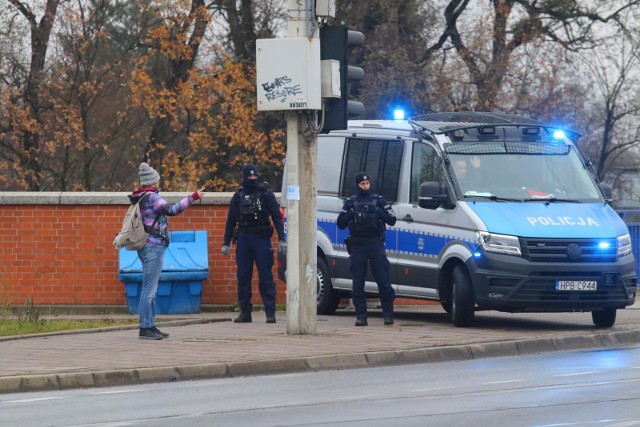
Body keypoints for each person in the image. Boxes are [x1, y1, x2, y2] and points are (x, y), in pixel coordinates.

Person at [130, 162, 204, 340]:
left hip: (146, 245)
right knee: (149, 289)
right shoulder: (152, 198)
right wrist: (192, 197)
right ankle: (145, 328)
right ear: (152, 181)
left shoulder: (140, 197)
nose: (159, 183)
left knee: (150, 288)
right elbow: (172, 209)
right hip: (153, 245)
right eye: (157, 181)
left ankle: (150, 325)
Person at [221, 164, 286, 324]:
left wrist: (282, 238)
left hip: (261, 238)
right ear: (244, 177)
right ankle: (245, 312)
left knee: (266, 276)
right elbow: (230, 221)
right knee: (243, 277)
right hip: (243, 238)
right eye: (249, 177)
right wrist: (226, 243)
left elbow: (277, 217)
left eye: (254, 176)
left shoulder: (266, 194)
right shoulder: (238, 196)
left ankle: (270, 312)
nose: (252, 179)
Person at [337, 172, 396, 326]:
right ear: (357, 185)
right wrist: (351, 213)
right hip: (358, 245)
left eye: (367, 183)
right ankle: (361, 316)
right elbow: (340, 223)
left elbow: (392, 220)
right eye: (362, 184)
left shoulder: (378, 201)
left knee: (383, 281)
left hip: (375, 244)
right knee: (358, 283)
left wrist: (378, 212)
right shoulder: (351, 202)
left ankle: (388, 314)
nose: (365, 186)